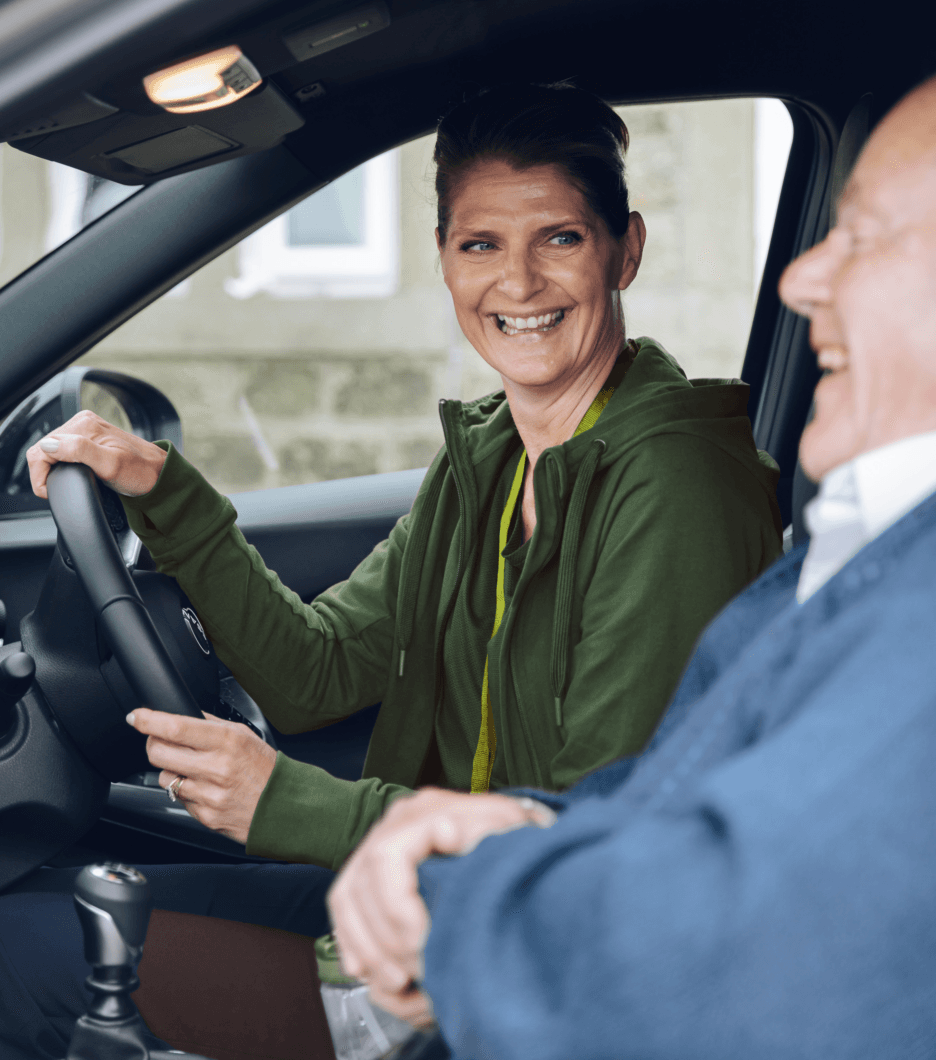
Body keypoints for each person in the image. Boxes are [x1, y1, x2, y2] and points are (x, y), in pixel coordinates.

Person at [0, 82, 781, 1060]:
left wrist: (285, 800)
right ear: (447, 260)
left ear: (625, 248)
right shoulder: (487, 459)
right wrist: (164, 491)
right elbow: (315, 672)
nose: (520, 284)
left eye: (560, 239)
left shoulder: (677, 485)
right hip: (431, 906)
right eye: (481, 244)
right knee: (46, 902)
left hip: (529, 980)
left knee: (21, 960)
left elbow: (596, 838)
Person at [329, 53, 936, 1060]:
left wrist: (464, 908)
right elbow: (682, 792)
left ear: (620, 252)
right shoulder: (888, 538)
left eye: (861, 235)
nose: (802, 276)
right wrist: (522, 824)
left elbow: (728, 961)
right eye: (477, 242)